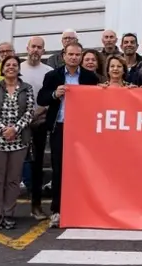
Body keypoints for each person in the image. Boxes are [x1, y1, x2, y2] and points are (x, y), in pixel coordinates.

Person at [38, 42, 99, 228]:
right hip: (60, 127)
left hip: (82, 130)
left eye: (77, 55)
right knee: (59, 169)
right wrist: (55, 94)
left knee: (82, 170)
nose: (74, 57)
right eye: (71, 54)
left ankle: (81, 208)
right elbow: (41, 98)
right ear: (64, 55)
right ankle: (57, 210)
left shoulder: (90, 77)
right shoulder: (53, 75)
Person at [0, 55, 35, 231]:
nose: (11, 67)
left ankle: (9, 213)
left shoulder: (26, 89)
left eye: (14, 65)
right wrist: (3, 129)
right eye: (8, 65)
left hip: (19, 141)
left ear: (18, 69)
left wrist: (15, 129)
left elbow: (29, 112)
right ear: (2, 69)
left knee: (13, 179)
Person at [19, 36, 53, 221]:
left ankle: (37, 205)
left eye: (39, 47)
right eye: (33, 46)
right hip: (17, 124)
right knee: (15, 165)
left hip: (39, 123)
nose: (35, 50)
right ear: (27, 48)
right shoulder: (18, 69)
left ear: (43, 50)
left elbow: (50, 97)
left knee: (38, 164)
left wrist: (38, 113)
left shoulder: (48, 71)